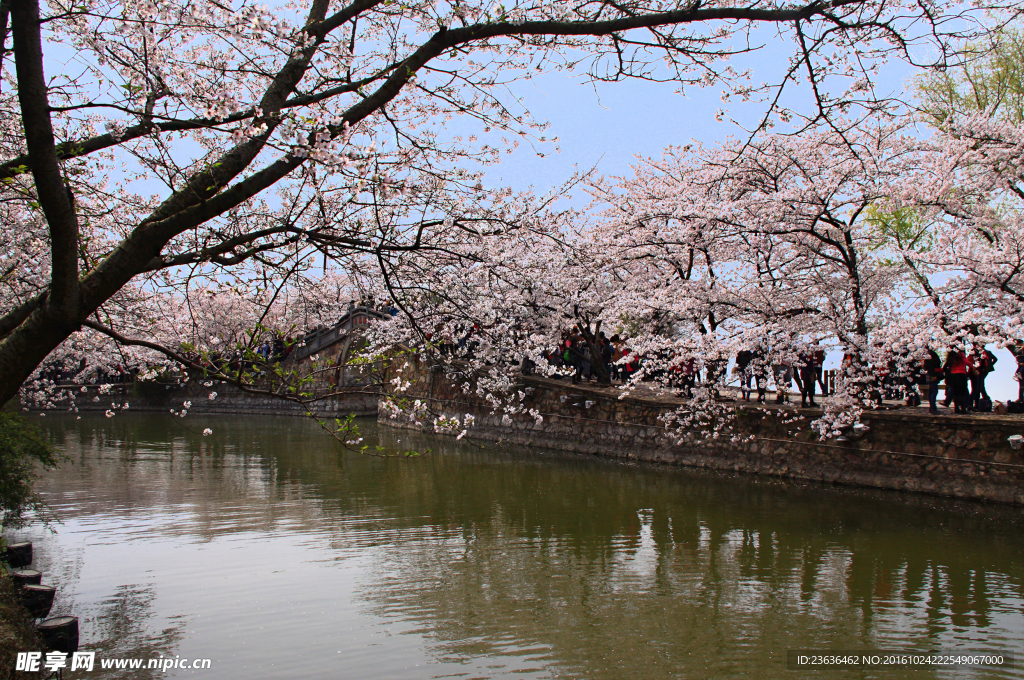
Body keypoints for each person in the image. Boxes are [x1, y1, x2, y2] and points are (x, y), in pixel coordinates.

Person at [943, 348, 973, 414]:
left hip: (953, 375)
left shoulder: (951, 355)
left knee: (955, 392)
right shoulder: (961, 354)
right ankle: (963, 408)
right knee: (962, 392)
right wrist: (972, 367)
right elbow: (966, 362)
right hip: (961, 375)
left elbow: (946, 366)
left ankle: (956, 408)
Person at [923, 349, 943, 415]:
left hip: (929, 375)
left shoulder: (927, 358)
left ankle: (932, 406)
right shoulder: (932, 358)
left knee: (931, 391)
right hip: (933, 375)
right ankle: (933, 407)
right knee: (934, 391)